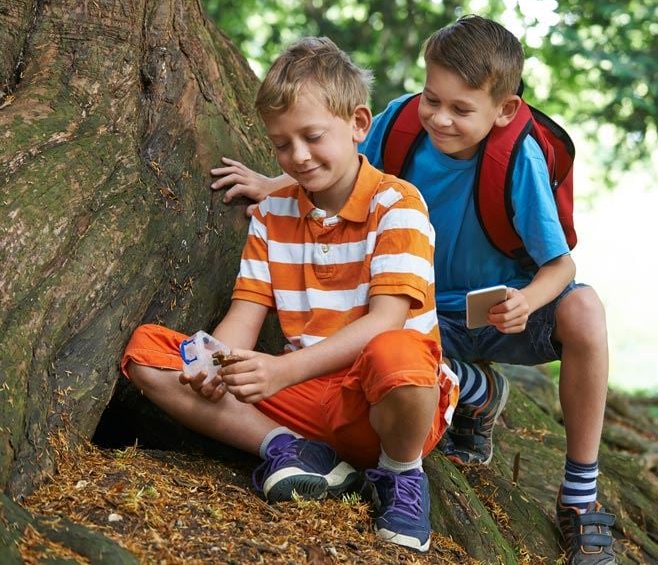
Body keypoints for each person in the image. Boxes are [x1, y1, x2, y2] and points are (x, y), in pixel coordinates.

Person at [211, 16, 616, 564]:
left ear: (504, 110)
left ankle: (580, 494)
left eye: (460, 109)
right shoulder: (401, 123)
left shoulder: (517, 158)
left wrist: (528, 301)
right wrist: (270, 185)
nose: (440, 119)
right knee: (393, 350)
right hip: (412, 312)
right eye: (433, 99)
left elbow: (561, 267)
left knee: (587, 310)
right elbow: (338, 160)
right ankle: (473, 391)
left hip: (497, 311)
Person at [120, 36, 458, 554]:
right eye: (281, 144)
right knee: (151, 352)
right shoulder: (273, 215)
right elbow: (244, 316)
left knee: (400, 353)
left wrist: (280, 370)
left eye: (312, 136)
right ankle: (290, 450)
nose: (297, 156)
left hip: (386, 407)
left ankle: (401, 476)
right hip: (303, 400)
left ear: (358, 125)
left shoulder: (398, 205)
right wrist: (215, 362)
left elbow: (388, 319)